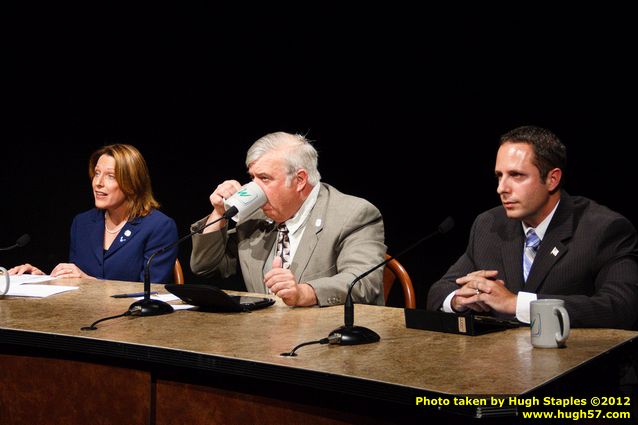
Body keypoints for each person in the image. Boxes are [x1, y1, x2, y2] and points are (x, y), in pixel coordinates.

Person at [427, 125, 638, 329]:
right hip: (501, 361)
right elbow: (439, 292)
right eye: (499, 176)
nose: (501, 188)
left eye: (516, 175)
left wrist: (516, 304)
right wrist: (460, 299)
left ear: (552, 179)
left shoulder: (604, 229)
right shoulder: (489, 224)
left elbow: (621, 306)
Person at [190, 131, 386, 307]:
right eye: (252, 178)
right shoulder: (254, 215)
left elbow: (363, 282)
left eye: (265, 178)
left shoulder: (353, 214)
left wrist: (304, 293)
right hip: (261, 336)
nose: (254, 189)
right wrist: (219, 212)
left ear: (300, 180)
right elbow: (205, 267)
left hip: (327, 337)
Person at [9, 144, 178, 283]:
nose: (98, 182)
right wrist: (41, 279)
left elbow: (150, 294)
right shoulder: (82, 223)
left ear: (132, 183)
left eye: (110, 176)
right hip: (84, 319)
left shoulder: (159, 227)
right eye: (97, 173)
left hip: (136, 322)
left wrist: (90, 282)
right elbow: (75, 281)